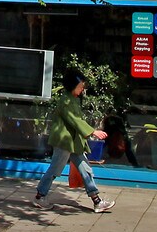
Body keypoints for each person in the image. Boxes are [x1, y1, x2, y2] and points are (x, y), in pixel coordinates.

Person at [35, 72, 113, 213]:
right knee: (55, 169)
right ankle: (40, 196)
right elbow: (75, 120)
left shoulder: (73, 99)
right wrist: (92, 132)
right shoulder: (65, 101)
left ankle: (97, 201)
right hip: (64, 142)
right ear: (72, 86)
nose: (82, 89)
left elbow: (76, 121)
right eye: (80, 86)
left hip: (74, 142)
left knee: (86, 170)